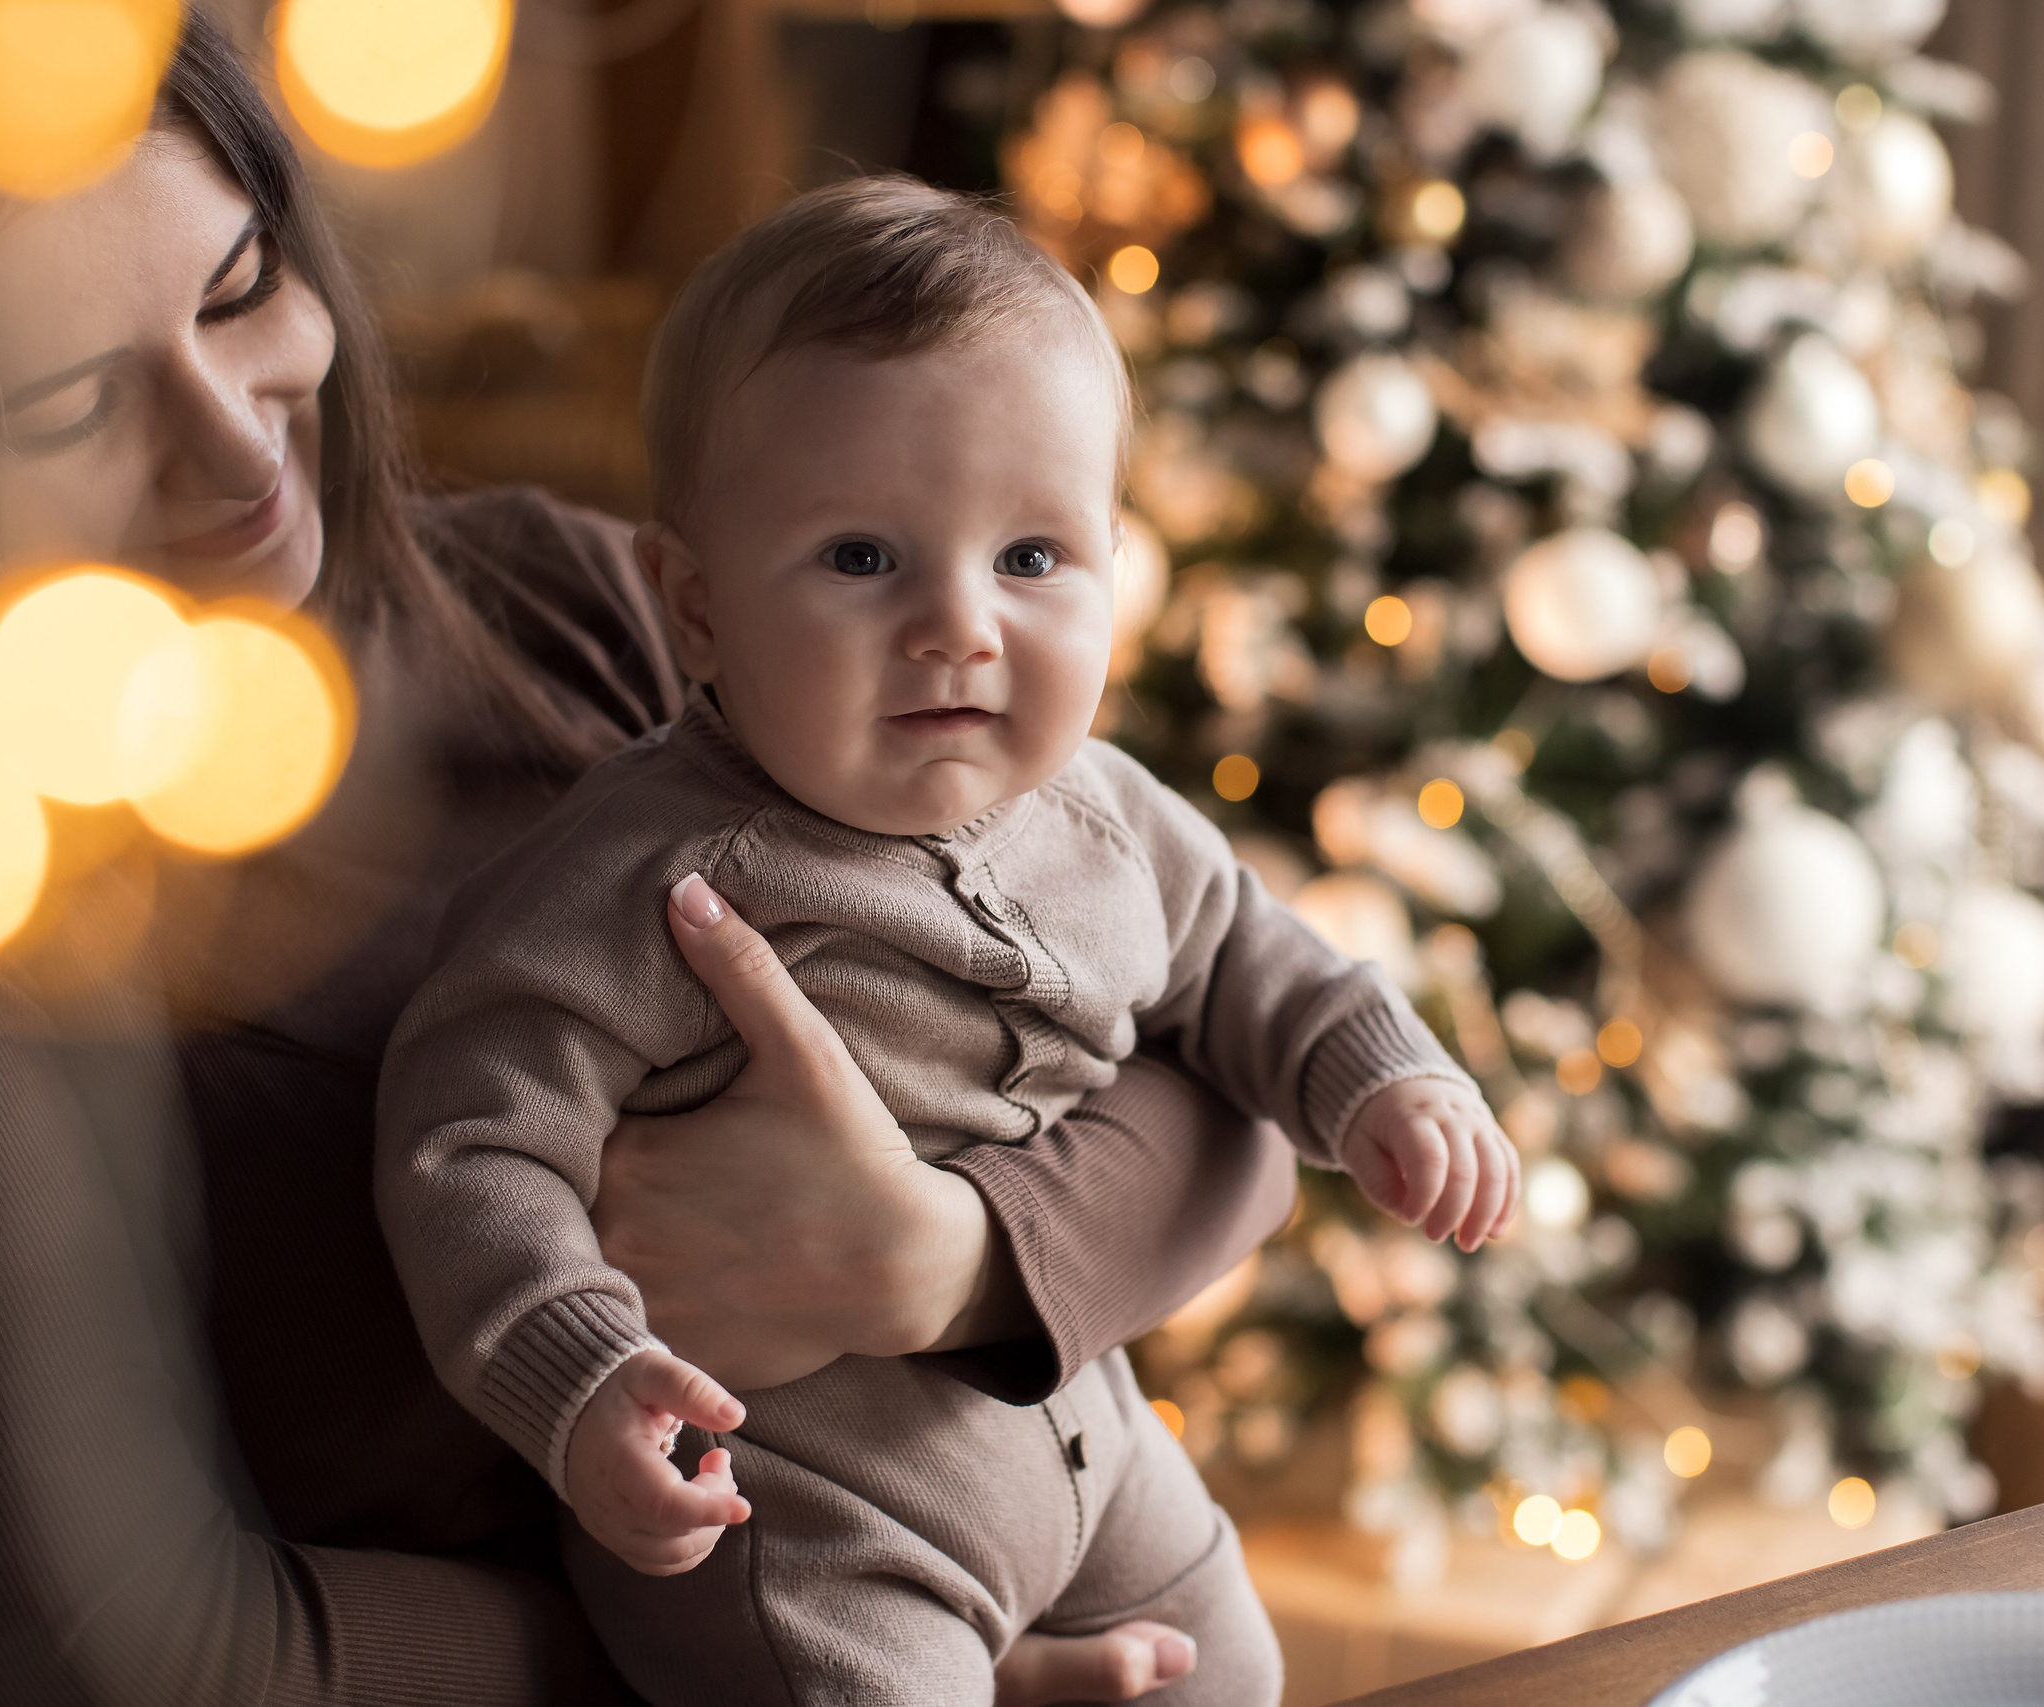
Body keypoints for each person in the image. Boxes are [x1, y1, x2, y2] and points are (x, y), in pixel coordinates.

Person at [0, 11, 1299, 1703]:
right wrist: (814, 1652)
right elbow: (112, 1670)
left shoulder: (570, 602)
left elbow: (1222, 1070)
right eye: (68, 397)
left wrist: (944, 1257)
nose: (238, 447)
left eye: (239, 293)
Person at [373, 179, 1524, 1707]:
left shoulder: (1108, 816)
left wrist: (1383, 1084)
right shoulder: (649, 878)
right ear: (696, 608)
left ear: (1118, 560)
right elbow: (469, 1141)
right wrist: (581, 1380)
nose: (959, 627)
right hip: (805, 1530)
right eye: (863, 559)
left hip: (1087, 1452)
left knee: (1229, 1671)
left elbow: (1245, 956)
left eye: (1034, 558)